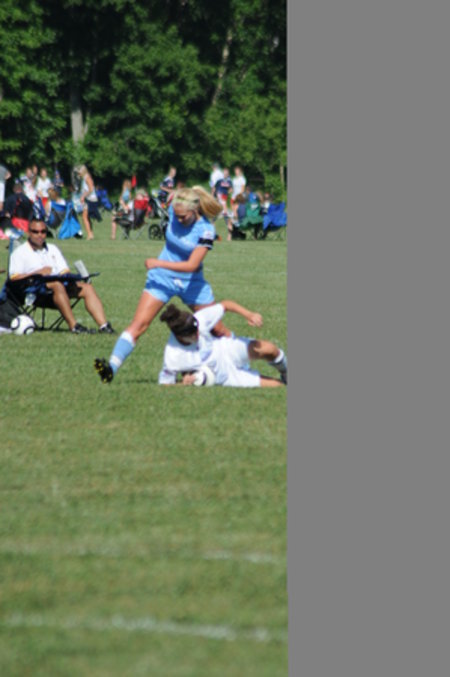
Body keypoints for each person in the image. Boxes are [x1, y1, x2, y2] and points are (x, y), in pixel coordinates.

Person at [94, 185, 229, 383]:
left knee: (217, 329)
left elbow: (191, 266)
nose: (179, 220)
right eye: (177, 215)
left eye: (184, 217)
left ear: (195, 210)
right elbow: (171, 193)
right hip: (163, 278)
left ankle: (236, 367)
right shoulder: (175, 208)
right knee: (139, 324)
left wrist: (158, 263)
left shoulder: (206, 230)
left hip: (191, 281)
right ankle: (111, 369)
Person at [8, 218, 115, 334]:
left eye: (43, 232)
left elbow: (64, 271)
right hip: (34, 292)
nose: (40, 235)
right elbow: (14, 278)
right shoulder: (20, 252)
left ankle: (104, 326)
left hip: (60, 288)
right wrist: (37, 273)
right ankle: (74, 326)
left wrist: (69, 279)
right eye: (35, 232)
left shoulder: (53, 249)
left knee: (86, 288)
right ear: (28, 232)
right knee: (56, 285)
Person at [158, 300, 287, 387]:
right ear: (179, 336)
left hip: (227, 350)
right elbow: (165, 385)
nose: (198, 334)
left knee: (269, 349)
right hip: (226, 377)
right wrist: (184, 383)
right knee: (278, 386)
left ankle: (286, 373)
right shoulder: (173, 356)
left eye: (197, 330)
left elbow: (226, 305)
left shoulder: (200, 319)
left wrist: (249, 314)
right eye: (193, 334)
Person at [77, 164, 99, 240]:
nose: (78, 174)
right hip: (87, 199)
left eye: (79, 172)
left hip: (90, 199)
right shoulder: (84, 178)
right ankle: (90, 234)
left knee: (84, 217)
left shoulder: (87, 178)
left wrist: (83, 196)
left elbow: (91, 189)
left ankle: (89, 234)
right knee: (87, 217)